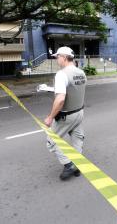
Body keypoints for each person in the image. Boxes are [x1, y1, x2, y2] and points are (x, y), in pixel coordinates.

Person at [44, 46, 87, 180]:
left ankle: (69, 165)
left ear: (63, 57)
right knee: (77, 138)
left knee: (52, 141)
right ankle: (78, 164)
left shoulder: (61, 74)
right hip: (79, 113)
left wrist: (50, 117)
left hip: (66, 116)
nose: (57, 59)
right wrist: (54, 89)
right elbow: (73, 90)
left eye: (57, 57)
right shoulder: (81, 72)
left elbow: (61, 98)